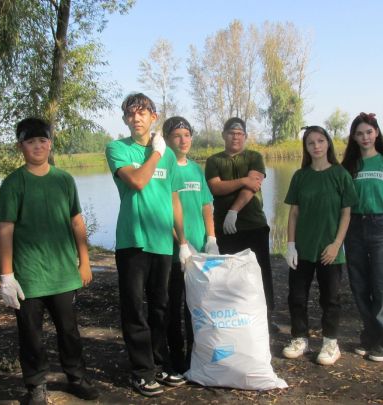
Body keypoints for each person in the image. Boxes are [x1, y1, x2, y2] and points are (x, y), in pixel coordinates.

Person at [0, 117, 100, 405]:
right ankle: (36, 386)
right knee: (31, 335)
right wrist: (7, 276)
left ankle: (76, 378)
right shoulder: (13, 183)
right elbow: (5, 230)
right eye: (31, 142)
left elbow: (77, 222)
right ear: (21, 147)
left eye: (42, 140)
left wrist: (85, 261)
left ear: (50, 143)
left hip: (64, 274)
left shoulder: (64, 180)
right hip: (29, 276)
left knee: (69, 331)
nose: (38, 146)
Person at [105, 93, 190, 397]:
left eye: (142, 113)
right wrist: (155, 153)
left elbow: (174, 199)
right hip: (133, 241)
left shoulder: (167, 154)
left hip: (162, 243)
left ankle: (161, 363)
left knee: (161, 307)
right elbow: (138, 181)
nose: (136, 118)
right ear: (125, 119)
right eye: (130, 114)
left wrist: (183, 243)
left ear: (154, 116)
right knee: (134, 308)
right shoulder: (117, 148)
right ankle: (142, 371)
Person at [282, 126, 358, 366]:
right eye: (310, 143)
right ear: (305, 147)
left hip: (329, 251)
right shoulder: (300, 176)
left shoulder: (340, 174)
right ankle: (299, 339)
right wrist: (291, 245)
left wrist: (337, 244)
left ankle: (330, 343)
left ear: (328, 144)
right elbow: (294, 213)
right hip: (303, 249)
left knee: (330, 299)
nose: (316, 146)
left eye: (320, 141)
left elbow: (346, 213)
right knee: (296, 296)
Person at [204, 117, 278, 333]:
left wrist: (234, 210)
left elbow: (253, 185)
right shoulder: (214, 161)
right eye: (231, 133)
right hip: (225, 229)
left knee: (261, 271)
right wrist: (243, 180)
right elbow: (216, 188)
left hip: (254, 225)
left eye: (239, 133)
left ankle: (266, 316)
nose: (235, 137)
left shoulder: (254, 157)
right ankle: (237, 316)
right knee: (231, 274)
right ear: (223, 135)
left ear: (244, 136)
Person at [341, 112, 383, 362]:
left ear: (376, 133)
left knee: (382, 285)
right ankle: (369, 338)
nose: (365, 137)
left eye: (369, 132)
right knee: (359, 284)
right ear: (354, 138)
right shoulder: (349, 166)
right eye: (359, 133)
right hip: (353, 226)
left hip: (378, 225)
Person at [162, 116, 219, 374]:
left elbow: (207, 205)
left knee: (197, 308)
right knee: (173, 307)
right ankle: (176, 358)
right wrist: (182, 243)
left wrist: (211, 238)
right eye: (177, 135)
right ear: (167, 139)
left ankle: (197, 355)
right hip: (176, 254)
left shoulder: (196, 169)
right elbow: (165, 210)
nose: (183, 140)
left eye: (187, 134)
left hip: (200, 253)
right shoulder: (164, 168)